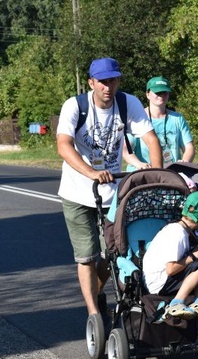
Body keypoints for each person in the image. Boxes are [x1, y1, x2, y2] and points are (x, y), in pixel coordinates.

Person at [57, 57, 162, 318]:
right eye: (102, 81)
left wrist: (157, 177)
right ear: (92, 83)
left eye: (113, 80)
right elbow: (63, 145)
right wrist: (91, 172)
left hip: (112, 194)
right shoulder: (75, 106)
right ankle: (93, 313)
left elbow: (151, 140)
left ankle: (97, 292)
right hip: (77, 192)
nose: (108, 86)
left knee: (114, 253)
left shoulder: (128, 103)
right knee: (86, 256)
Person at [141, 191, 198, 320]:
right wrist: (195, 255)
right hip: (157, 283)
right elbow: (171, 269)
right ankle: (177, 303)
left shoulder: (181, 230)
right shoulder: (178, 233)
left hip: (161, 279)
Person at [124, 76, 195, 171]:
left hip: (172, 173)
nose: (161, 95)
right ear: (147, 94)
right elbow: (126, 150)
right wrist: (139, 164)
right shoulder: (137, 118)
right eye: (157, 93)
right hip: (142, 174)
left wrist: (184, 163)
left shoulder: (177, 118)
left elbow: (189, 148)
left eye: (164, 92)